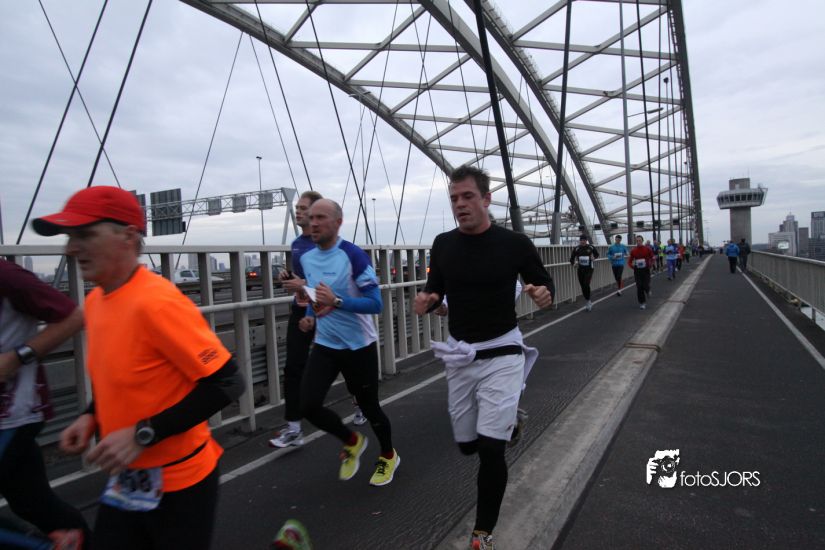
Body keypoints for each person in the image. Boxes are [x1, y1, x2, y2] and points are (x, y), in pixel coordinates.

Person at [33, 186, 244, 550]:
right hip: (127, 480)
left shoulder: (157, 303)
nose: (70, 248)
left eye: (84, 235)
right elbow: (123, 375)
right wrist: (90, 416)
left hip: (180, 483)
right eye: (69, 237)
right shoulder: (97, 300)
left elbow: (228, 383)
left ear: (128, 236)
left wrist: (142, 434)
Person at [413, 165, 554, 550]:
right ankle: (510, 421)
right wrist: (427, 301)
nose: (459, 204)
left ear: (487, 199)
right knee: (467, 445)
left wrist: (543, 294)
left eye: (467, 196)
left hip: (503, 350)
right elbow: (435, 290)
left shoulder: (515, 243)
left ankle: (482, 534)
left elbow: (544, 283)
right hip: (461, 353)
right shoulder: (443, 244)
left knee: (491, 449)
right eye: (454, 198)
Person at [297, 199, 399, 486]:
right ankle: (352, 441)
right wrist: (309, 316)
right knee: (307, 405)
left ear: (338, 222)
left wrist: (338, 301)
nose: (313, 223)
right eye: (311, 217)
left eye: (320, 217)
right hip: (326, 344)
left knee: (369, 408)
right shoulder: (307, 258)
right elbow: (315, 295)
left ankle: (388, 455)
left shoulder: (353, 256)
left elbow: (375, 304)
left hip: (358, 346)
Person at [0, 259, 90, 548]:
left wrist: (16, 358)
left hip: (13, 415)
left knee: (33, 502)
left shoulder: (7, 276)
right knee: (33, 503)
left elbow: (73, 316)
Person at [269, 191, 323, 449]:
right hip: (301, 309)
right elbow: (302, 277)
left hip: (326, 310)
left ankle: (361, 404)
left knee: (343, 361)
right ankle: (293, 428)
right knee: (293, 367)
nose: (298, 212)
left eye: (303, 208)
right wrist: (289, 276)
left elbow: (327, 281)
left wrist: (303, 283)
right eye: (297, 208)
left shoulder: (323, 243)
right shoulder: (297, 244)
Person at [569, 235, 599, 311]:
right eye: (581, 240)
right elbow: (571, 259)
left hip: (589, 269)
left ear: (586, 241)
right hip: (580, 269)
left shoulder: (591, 247)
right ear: (580, 241)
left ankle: (588, 301)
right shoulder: (577, 248)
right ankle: (587, 300)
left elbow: (597, 254)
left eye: (584, 240)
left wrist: (594, 257)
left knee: (586, 284)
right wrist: (574, 264)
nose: (583, 241)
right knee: (582, 286)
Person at [628, 234, 655, 310]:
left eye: (639, 240)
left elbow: (653, 258)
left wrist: (650, 265)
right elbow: (629, 261)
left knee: (645, 284)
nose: (638, 242)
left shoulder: (647, 249)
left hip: (646, 269)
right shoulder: (633, 250)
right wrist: (633, 266)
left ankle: (648, 290)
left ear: (642, 241)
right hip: (637, 270)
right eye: (637, 241)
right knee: (639, 287)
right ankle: (642, 303)